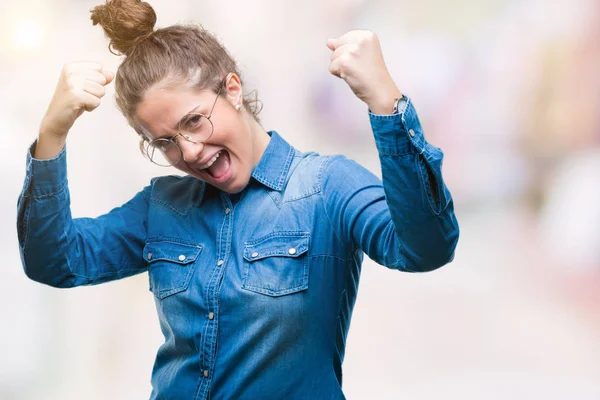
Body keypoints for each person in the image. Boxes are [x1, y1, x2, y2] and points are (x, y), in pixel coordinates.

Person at [16, 0, 459, 398]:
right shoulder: (161, 207)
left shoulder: (328, 186)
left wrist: (387, 103)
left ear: (231, 89)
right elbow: (56, 261)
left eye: (194, 121)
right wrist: (52, 134)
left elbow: (426, 248)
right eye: (165, 142)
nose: (188, 152)